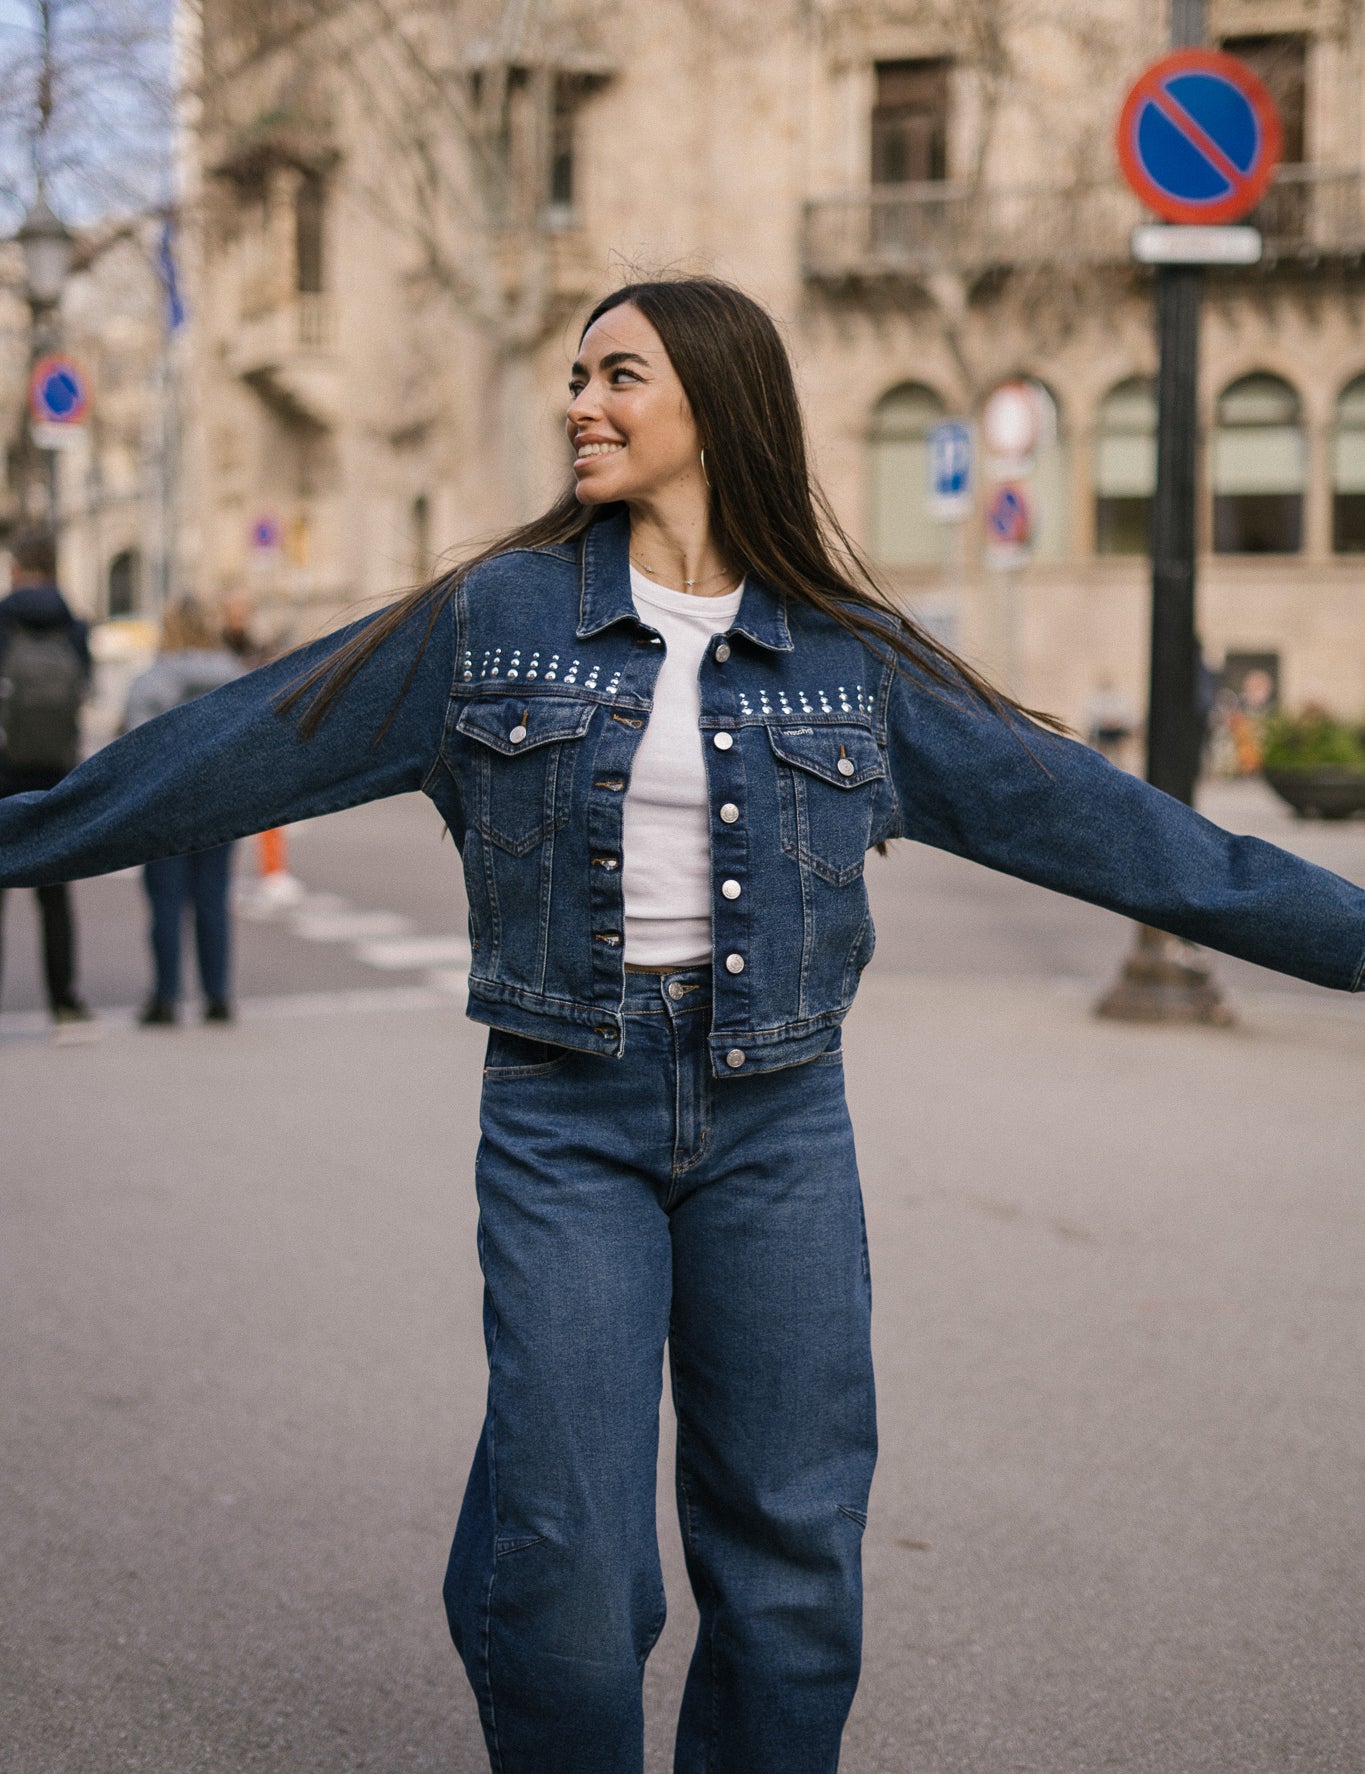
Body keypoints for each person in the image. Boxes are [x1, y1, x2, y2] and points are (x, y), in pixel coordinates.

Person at [1, 278, 1363, 1774]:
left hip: (781, 1123)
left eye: (620, 374)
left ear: (718, 402)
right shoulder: (489, 619)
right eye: (577, 375)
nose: (582, 402)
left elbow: (1122, 833)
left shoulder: (850, 655)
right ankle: (534, 1544)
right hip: (564, 1111)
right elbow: (228, 749)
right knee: (576, 1582)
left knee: (792, 1554)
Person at [122, 599, 243, 1024]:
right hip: (221, 803)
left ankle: (166, 996)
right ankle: (217, 996)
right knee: (212, 900)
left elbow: (132, 747)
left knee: (167, 903)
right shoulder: (234, 675)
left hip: (164, 805)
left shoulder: (152, 680)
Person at [0, 524, 92, 1027]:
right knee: (55, 897)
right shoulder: (74, 625)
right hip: (55, 774)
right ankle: (65, 1002)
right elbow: (86, 689)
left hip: (2, 771)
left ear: (16, 567)